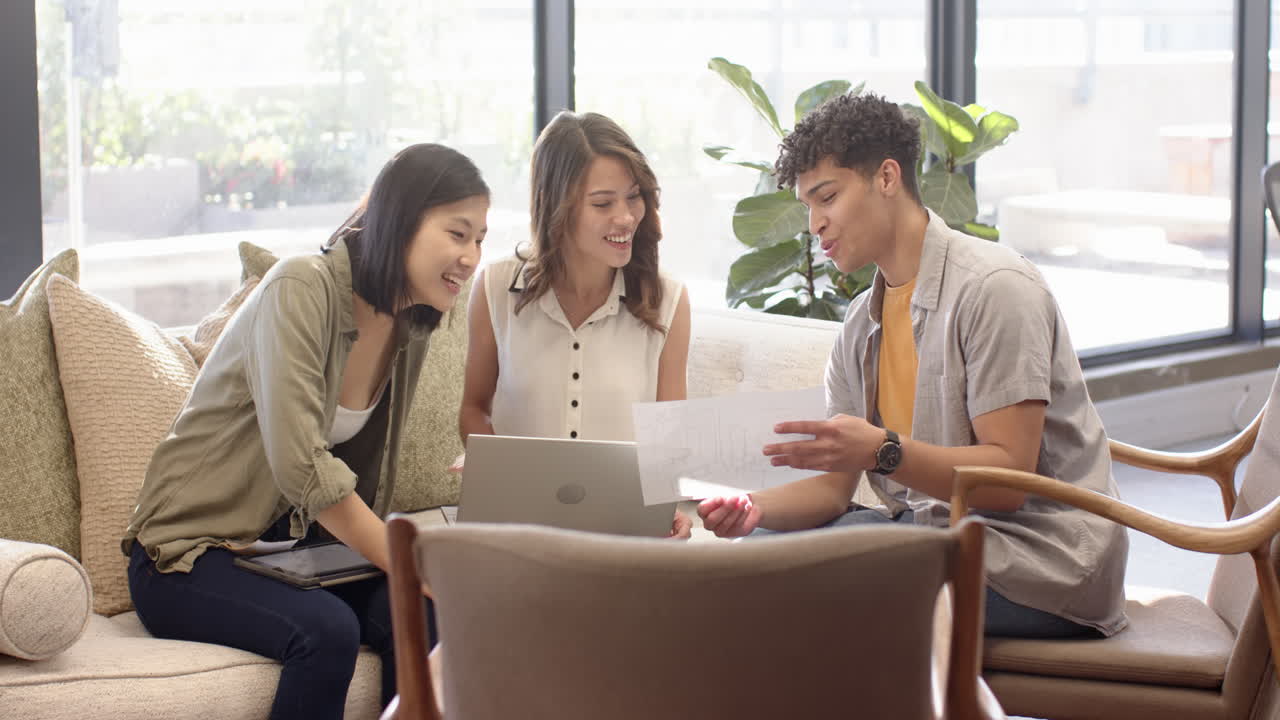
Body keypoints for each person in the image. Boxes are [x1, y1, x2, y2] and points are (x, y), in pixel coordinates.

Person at [698, 93, 1129, 638]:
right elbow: (834, 491)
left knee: (790, 584)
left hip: (1039, 562)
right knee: (744, 559)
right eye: (808, 206)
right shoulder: (860, 325)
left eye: (826, 198)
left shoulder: (995, 290)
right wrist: (750, 507)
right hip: (932, 536)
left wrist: (881, 450)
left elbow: (1006, 485)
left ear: (886, 177)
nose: (815, 225)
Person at [122, 143, 489, 719]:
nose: (471, 256)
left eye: (480, 240)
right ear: (400, 221)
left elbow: (365, 482)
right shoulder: (300, 287)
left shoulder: (411, 325)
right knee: (327, 631)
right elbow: (301, 467)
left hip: (296, 554)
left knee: (425, 617)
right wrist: (407, 560)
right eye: (457, 233)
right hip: (186, 556)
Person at [458, 111, 693, 537]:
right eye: (603, 203)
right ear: (557, 204)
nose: (625, 217)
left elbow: (667, 442)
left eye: (634, 197)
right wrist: (498, 481)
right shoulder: (494, 287)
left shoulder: (668, 301)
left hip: (620, 531)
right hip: (516, 530)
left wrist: (663, 510)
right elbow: (474, 409)